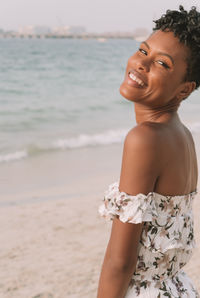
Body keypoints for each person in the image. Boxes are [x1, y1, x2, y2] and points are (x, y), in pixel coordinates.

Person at [97, 5, 200, 298]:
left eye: (163, 64)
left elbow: (120, 262)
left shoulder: (144, 139)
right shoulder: (182, 135)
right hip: (178, 288)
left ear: (184, 89)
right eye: (143, 51)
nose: (142, 64)